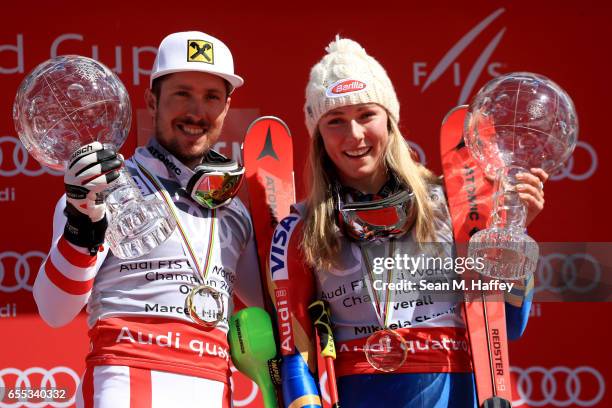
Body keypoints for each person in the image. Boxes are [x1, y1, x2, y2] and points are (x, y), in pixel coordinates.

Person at [267, 37, 547, 408]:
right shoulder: (302, 226)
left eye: (367, 115)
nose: (354, 135)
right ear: (319, 136)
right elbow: (294, 351)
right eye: (335, 121)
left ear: (390, 120)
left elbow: (507, 325)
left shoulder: (452, 204)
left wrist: (512, 234)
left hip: (454, 393)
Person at [33, 31, 263, 408]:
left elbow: (276, 306)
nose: (197, 111)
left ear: (226, 107)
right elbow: (54, 310)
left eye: (211, 97)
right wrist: (82, 222)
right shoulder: (104, 189)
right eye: (182, 94)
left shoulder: (234, 210)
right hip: (125, 386)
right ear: (151, 101)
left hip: (216, 388)